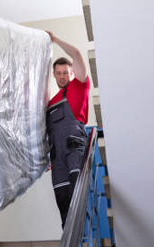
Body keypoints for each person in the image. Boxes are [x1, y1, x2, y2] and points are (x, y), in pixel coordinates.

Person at [45, 31, 91, 228]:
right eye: (59, 73)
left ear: (72, 73)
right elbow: (47, 132)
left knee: (77, 198)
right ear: (54, 74)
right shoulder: (51, 102)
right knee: (63, 201)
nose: (62, 76)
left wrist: (55, 40)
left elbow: (77, 54)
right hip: (57, 155)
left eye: (66, 72)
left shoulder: (79, 86)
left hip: (74, 147)